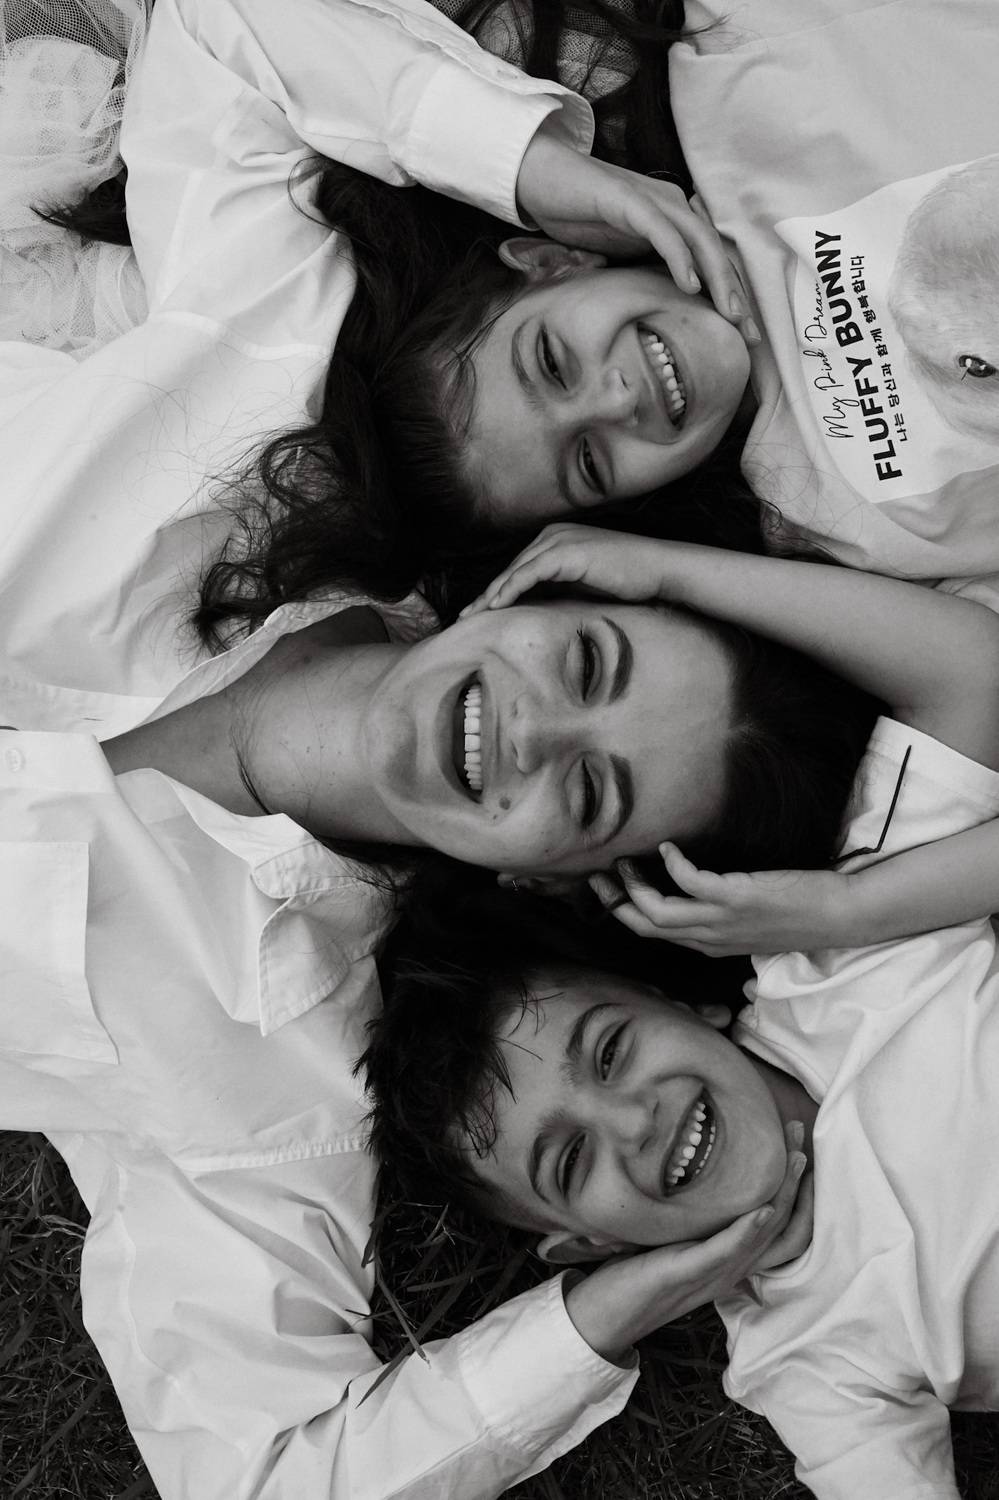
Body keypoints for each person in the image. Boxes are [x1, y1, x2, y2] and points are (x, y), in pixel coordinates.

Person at [364, 545, 999, 1500]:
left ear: (687, 1003)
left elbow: (972, 673)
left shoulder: (836, 960)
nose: (635, 1120)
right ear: (586, 1245)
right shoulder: (800, 1351)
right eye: (569, 1162)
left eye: (612, 1050)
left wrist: (668, 573)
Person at [0, 0, 756, 727]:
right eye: (588, 461)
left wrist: (530, 171)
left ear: (552, 263)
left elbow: (213, 28)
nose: (617, 402)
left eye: (553, 363)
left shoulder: (277, 309)